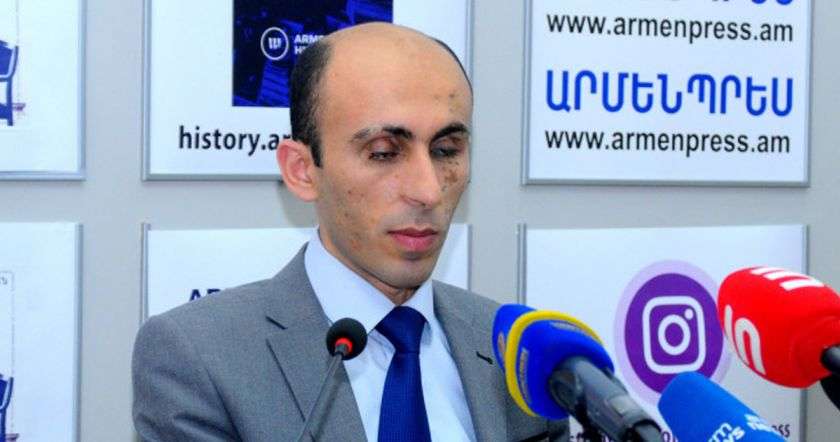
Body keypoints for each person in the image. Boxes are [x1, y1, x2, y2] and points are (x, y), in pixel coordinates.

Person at [132, 23, 567, 441]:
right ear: (302, 171)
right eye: (383, 153)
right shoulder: (200, 357)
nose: (428, 190)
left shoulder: (524, 351)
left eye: (446, 150)